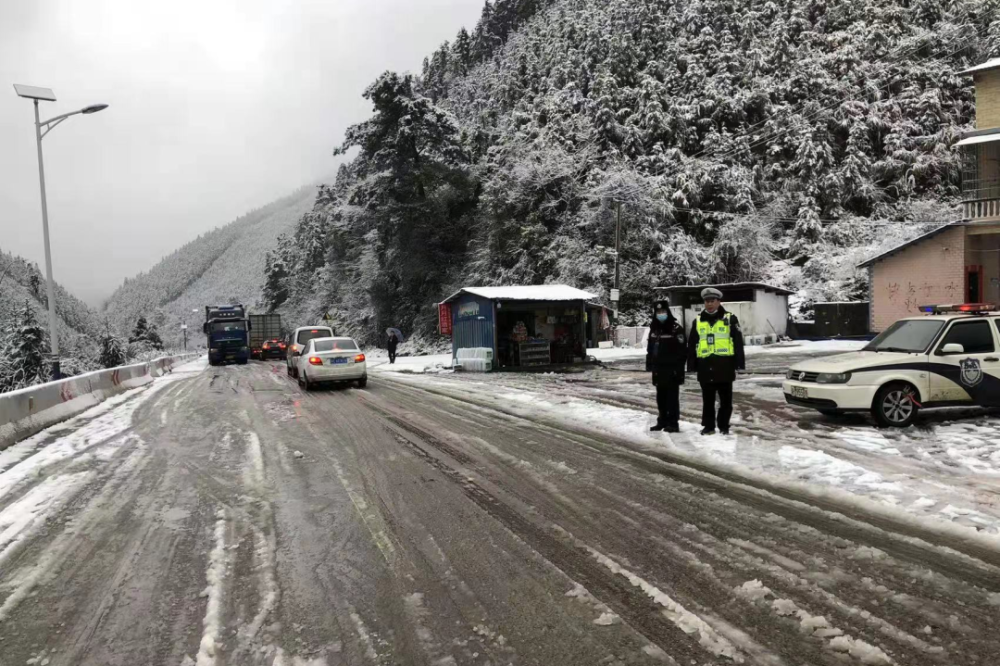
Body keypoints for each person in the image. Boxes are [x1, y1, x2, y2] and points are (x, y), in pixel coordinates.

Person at [687, 287, 745, 435]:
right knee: (708, 401)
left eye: (712, 301)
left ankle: (724, 426)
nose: (709, 304)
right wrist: (691, 365)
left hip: (724, 366)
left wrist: (739, 364)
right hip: (705, 367)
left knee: (726, 401)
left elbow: (737, 342)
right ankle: (709, 426)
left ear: (719, 302)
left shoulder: (730, 319)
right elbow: (692, 344)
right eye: (707, 301)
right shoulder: (698, 321)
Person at [646, 299, 686, 432]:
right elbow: (650, 349)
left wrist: (680, 371)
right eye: (658, 312)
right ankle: (662, 421)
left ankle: (673, 423)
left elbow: (682, 352)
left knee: (672, 398)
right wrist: (650, 366)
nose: (661, 314)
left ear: (668, 312)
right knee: (661, 397)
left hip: (672, 369)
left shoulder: (676, 329)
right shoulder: (654, 329)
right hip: (658, 369)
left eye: (663, 311)